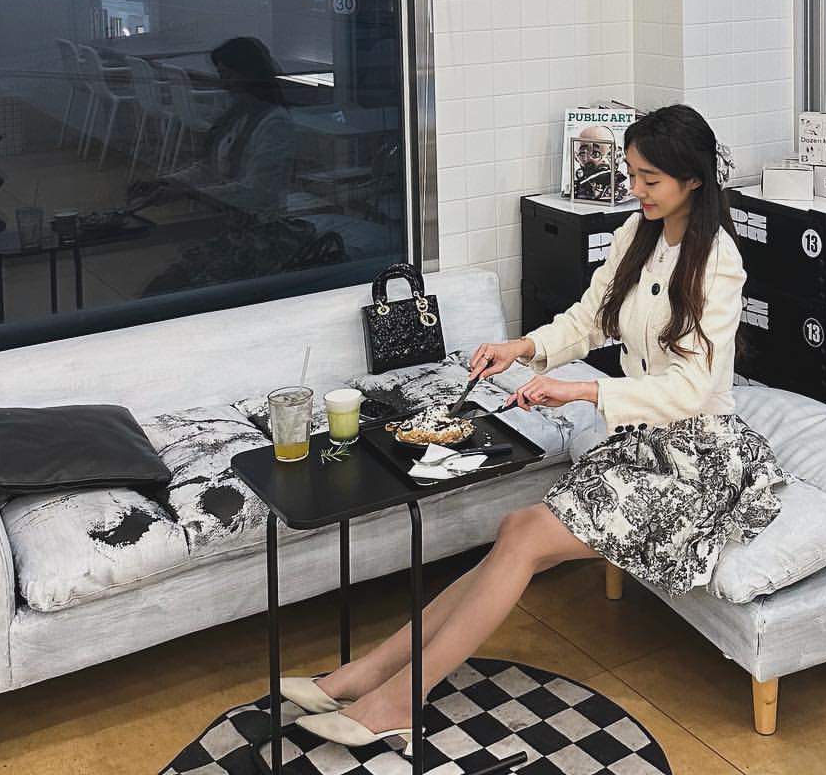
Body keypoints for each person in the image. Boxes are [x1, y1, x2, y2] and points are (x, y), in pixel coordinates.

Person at [282, 104, 785, 751]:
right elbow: (590, 319)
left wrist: (582, 389)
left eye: (649, 179)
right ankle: (364, 676)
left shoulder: (717, 262)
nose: (634, 188)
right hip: (640, 445)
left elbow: (696, 389)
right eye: (631, 173)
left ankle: (395, 702)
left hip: (696, 464)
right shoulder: (638, 233)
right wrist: (521, 348)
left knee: (522, 540)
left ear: (692, 180)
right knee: (516, 529)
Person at [131, 37, 294, 217]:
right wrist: (165, 182)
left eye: (228, 75)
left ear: (249, 74)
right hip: (230, 215)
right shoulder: (239, 114)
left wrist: (187, 193)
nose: (224, 84)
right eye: (221, 75)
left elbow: (258, 193)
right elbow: (211, 169)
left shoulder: (274, 123)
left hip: (261, 220)